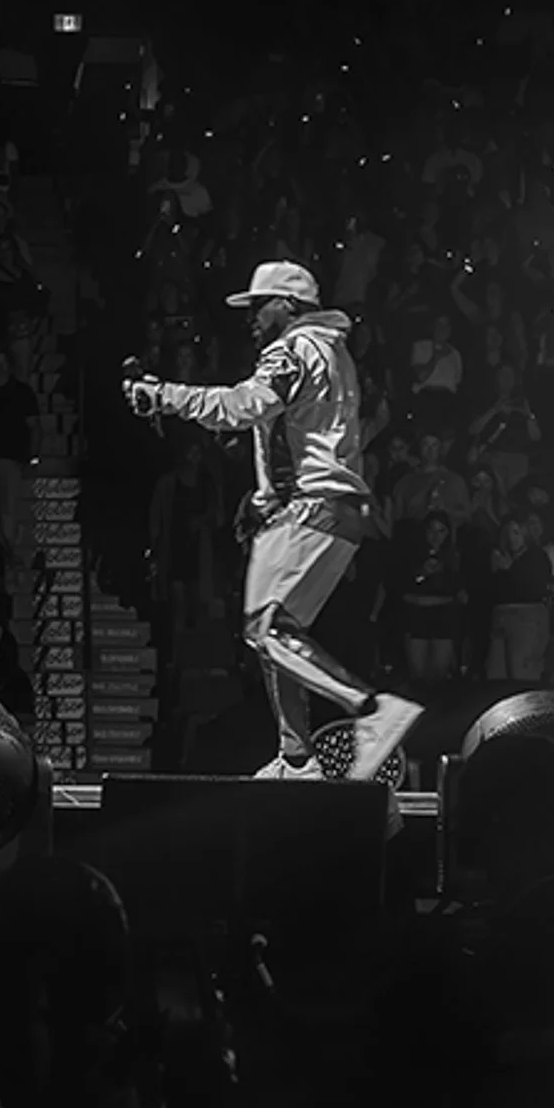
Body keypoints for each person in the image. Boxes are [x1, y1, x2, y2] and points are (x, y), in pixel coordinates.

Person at [125, 260, 423, 780]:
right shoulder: (334, 352)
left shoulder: (293, 348)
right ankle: (296, 757)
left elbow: (245, 406)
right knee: (281, 634)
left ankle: (372, 709)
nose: (251, 317)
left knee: (265, 630)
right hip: (335, 509)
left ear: (288, 304)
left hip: (313, 506)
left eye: (259, 305)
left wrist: (165, 395)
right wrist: (264, 498)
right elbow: (301, 432)